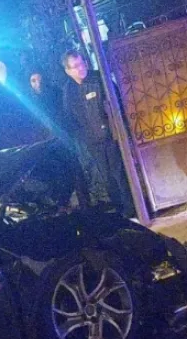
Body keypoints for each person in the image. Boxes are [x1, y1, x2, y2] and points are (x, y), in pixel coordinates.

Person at [58, 49, 135, 217]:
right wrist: (83, 137)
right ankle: (119, 209)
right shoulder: (69, 92)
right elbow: (70, 118)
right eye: (75, 66)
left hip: (112, 136)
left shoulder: (99, 78)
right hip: (92, 141)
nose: (80, 68)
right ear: (68, 71)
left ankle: (131, 207)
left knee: (119, 172)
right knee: (106, 176)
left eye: (81, 63)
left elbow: (117, 101)